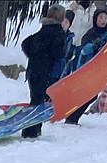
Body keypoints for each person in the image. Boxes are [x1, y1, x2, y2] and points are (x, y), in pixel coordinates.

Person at [21, 6, 70, 140]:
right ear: (61, 18)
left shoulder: (43, 30)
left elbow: (26, 43)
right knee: (40, 103)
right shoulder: (58, 33)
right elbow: (57, 53)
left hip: (32, 71)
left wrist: (33, 55)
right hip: (46, 73)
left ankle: (29, 130)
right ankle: (32, 132)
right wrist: (64, 34)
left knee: (35, 100)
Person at [64, 7, 107, 123]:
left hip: (98, 71)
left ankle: (73, 117)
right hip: (86, 68)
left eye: (105, 18)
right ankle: (71, 117)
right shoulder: (90, 34)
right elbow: (83, 50)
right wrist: (93, 46)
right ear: (96, 19)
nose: (103, 20)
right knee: (85, 94)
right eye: (101, 17)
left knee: (92, 95)